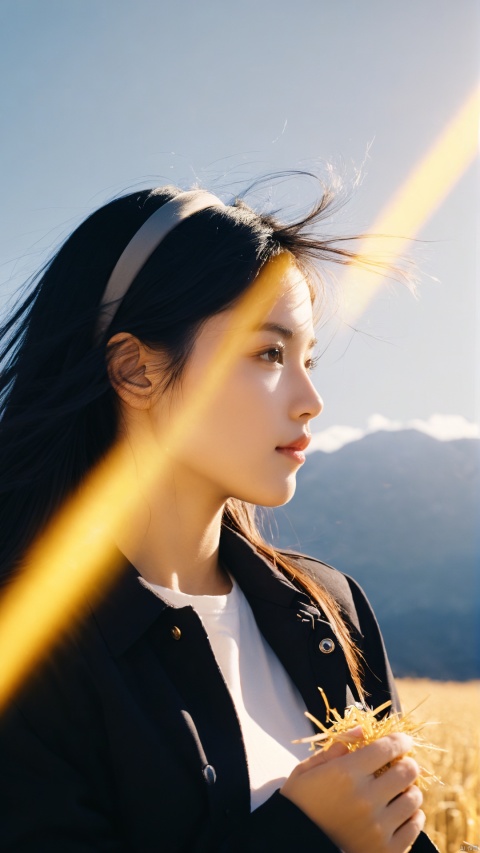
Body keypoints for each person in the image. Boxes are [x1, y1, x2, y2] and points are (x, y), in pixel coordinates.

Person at [0, 181, 438, 852]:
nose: (311, 398)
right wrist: (306, 837)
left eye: (307, 358)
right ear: (134, 370)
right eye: (268, 352)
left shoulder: (329, 608)